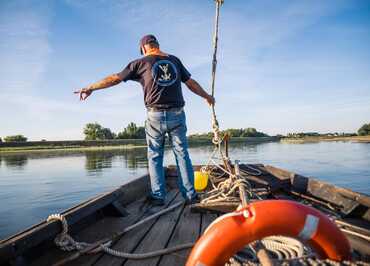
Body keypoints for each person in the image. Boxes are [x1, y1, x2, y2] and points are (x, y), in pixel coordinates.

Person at [75, 34, 215, 205]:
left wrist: (90, 88)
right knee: (182, 154)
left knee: (155, 156)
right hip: (177, 114)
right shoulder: (175, 61)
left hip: (154, 115)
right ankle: (191, 196)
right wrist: (207, 96)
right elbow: (191, 83)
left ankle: (158, 196)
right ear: (157, 44)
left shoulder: (140, 63)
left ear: (143, 48)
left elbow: (114, 79)